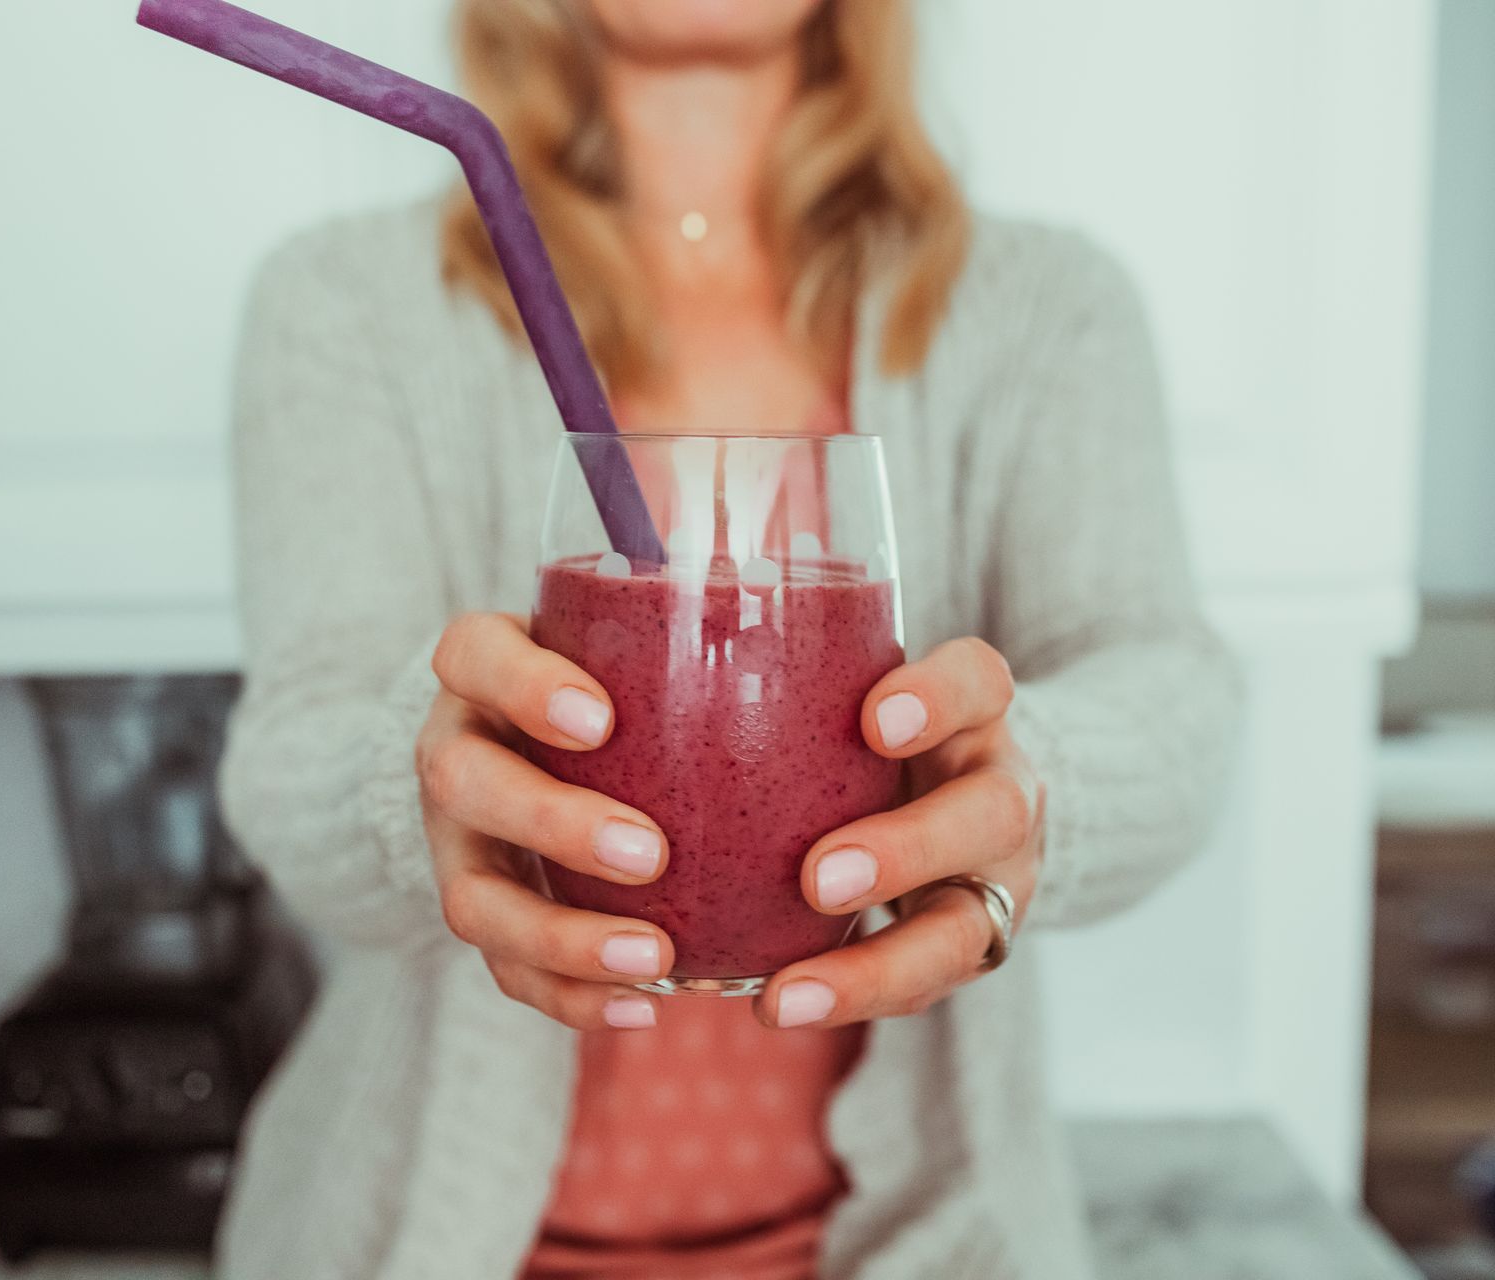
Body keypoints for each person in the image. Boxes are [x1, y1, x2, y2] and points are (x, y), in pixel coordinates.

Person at [215, 0, 1241, 1276]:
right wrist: (406, 790)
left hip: (931, 1244)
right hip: (429, 1236)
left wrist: (1036, 783)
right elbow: (291, 740)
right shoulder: (344, 304)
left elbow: (1168, 684)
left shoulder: (1047, 308)